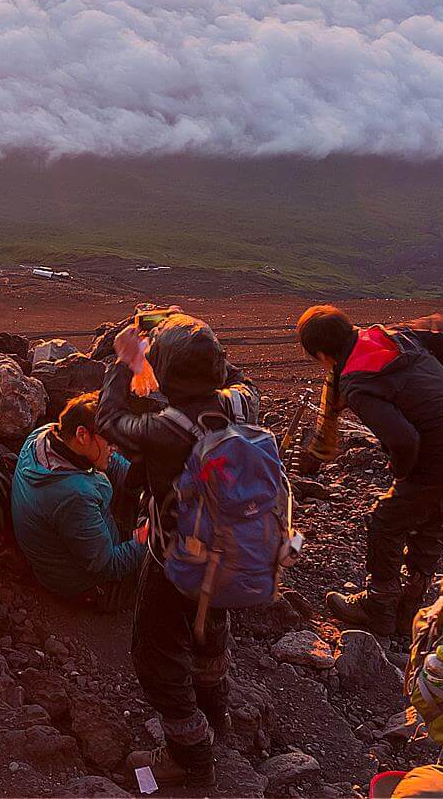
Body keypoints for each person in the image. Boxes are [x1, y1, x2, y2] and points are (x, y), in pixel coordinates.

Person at [96, 311, 259, 788]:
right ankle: (215, 712)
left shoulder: (164, 431)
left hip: (176, 560)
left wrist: (126, 362)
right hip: (233, 554)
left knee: (155, 653)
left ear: (167, 373)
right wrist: (198, 343)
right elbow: (230, 377)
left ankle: (189, 756)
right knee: (208, 630)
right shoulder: (245, 403)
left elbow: (107, 419)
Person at [296, 305, 443, 636]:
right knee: (433, 519)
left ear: (322, 354)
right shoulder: (389, 335)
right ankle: (409, 611)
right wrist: (441, 399)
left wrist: (403, 471)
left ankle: (378, 607)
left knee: (385, 522)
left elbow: (403, 440)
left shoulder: (357, 382)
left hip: (438, 457)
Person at [11, 391, 143, 609]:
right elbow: (107, 565)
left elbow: (113, 463)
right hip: (87, 585)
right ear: (82, 435)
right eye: (110, 441)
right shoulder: (74, 495)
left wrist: (144, 480)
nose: (115, 447)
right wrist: (146, 540)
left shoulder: (44, 436)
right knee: (168, 556)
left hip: (72, 539)